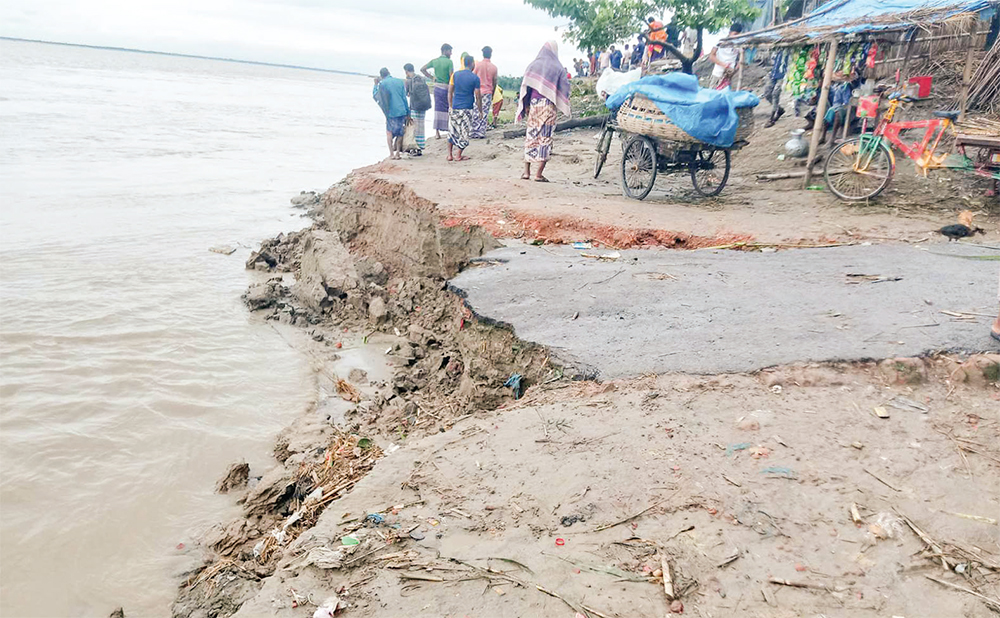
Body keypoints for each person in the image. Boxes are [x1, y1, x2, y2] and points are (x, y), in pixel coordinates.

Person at [517, 41, 571, 182]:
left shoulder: (533, 65)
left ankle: (526, 172)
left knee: (531, 135)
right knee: (545, 138)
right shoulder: (557, 67)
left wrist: (527, 104)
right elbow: (565, 88)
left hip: (534, 105)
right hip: (548, 105)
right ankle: (538, 174)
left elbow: (527, 86)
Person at [448, 54, 482, 161]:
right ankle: (458, 154)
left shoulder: (455, 75)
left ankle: (449, 155)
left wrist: (450, 106)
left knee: (452, 130)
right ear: (472, 64)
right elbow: (478, 96)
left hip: (456, 106)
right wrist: (480, 110)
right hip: (467, 108)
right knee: (464, 132)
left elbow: (450, 92)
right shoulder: (475, 78)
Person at [372, 68, 409, 160]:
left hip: (390, 112)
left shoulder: (382, 84)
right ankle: (397, 153)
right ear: (389, 73)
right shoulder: (399, 82)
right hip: (401, 110)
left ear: (381, 76)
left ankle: (391, 153)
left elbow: (376, 96)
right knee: (400, 132)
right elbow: (404, 98)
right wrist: (408, 112)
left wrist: (375, 85)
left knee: (389, 132)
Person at [421, 44, 453, 139]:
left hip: (437, 87)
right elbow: (451, 76)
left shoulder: (435, 61)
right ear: (445, 51)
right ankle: (449, 129)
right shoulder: (449, 62)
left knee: (438, 109)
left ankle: (437, 132)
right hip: (447, 87)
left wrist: (432, 78)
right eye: (450, 51)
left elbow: (422, 69)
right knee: (449, 108)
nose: (451, 53)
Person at [403, 63, 431, 153]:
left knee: (414, 127)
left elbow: (405, 94)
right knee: (421, 126)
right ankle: (421, 146)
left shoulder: (408, 81)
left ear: (406, 71)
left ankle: (414, 148)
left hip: (414, 106)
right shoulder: (421, 78)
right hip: (423, 106)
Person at [709, 24, 743, 89]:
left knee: (725, 93)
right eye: (735, 34)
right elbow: (712, 56)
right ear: (730, 33)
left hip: (729, 74)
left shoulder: (739, 44)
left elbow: (741, 57)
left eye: (738, 35)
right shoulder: (721, 41)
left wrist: (736, 67)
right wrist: (724, 65)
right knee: (713, 93)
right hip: (718, 73)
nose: (736, 37)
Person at [473, 46, 499, 131]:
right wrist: (493, 92)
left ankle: (474, 130)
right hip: (488, 91)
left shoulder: (478, 65)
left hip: (477, 91)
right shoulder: (494, 67)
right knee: (484, 112)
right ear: (490, 54)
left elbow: (473, 77)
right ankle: (481, 131)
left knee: (476, 110)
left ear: (482, 54)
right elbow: (494, 82)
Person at [763, 50, 786, 128]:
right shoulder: (778, 48)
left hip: (783, 74)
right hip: (773, 74)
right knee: (767, 94)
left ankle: (771, 119)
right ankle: (779, 109)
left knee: (775, 94)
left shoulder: (789, 50)